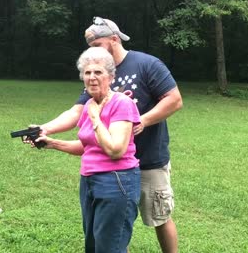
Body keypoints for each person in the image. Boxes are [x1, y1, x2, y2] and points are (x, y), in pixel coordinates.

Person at [36, 17, 183, 253]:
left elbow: (174, 100)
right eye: (89, 47)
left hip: (148, 158)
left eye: (97, 44)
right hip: (107, 166)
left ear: (114, 40)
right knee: (107, 230)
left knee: (159, 216)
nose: (92, 51)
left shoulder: (147, 64)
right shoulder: (96, 74)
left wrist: (141, 120)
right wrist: (46, 129)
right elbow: (77, 111)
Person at [36, 46, 141, 253]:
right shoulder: (89, 105)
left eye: (98, 72)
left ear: (111, 77)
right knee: (92, 244)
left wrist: (95, 117)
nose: (92, 77)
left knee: (110, 247)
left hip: (116, 181)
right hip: (89, 181)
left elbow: (115, 150)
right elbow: (87, 147)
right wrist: (51, 143)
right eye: (87, 73)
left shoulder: (122, 103)